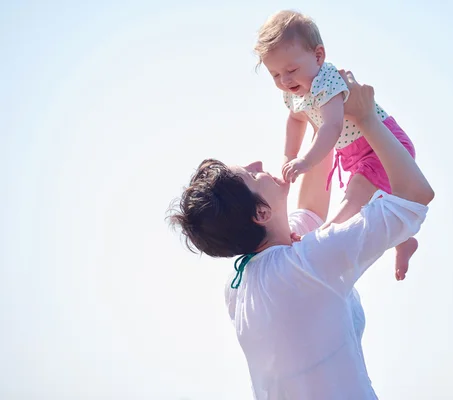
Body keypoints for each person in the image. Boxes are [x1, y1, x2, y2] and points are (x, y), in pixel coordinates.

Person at [168, 71, 434, 399]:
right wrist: (367, 120)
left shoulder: (245, 281)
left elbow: (310, 209)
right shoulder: (304, 265)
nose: (258, 163)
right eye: (252, 175)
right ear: (261, 214)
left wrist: (318, 99)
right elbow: (416, 196)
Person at [255, 10, 420, 281]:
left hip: (379, 144)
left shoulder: (327, 79)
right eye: (275, 75)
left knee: (353, 200)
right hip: (355, 152)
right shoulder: (293, 92)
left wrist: (306, 162)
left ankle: (319, 240)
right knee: (374, 204)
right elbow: (296, 120)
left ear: (318, 56)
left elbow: (330, 126)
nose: (284, 80)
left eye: (291, 70)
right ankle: (403, 240)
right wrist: (289, 155)